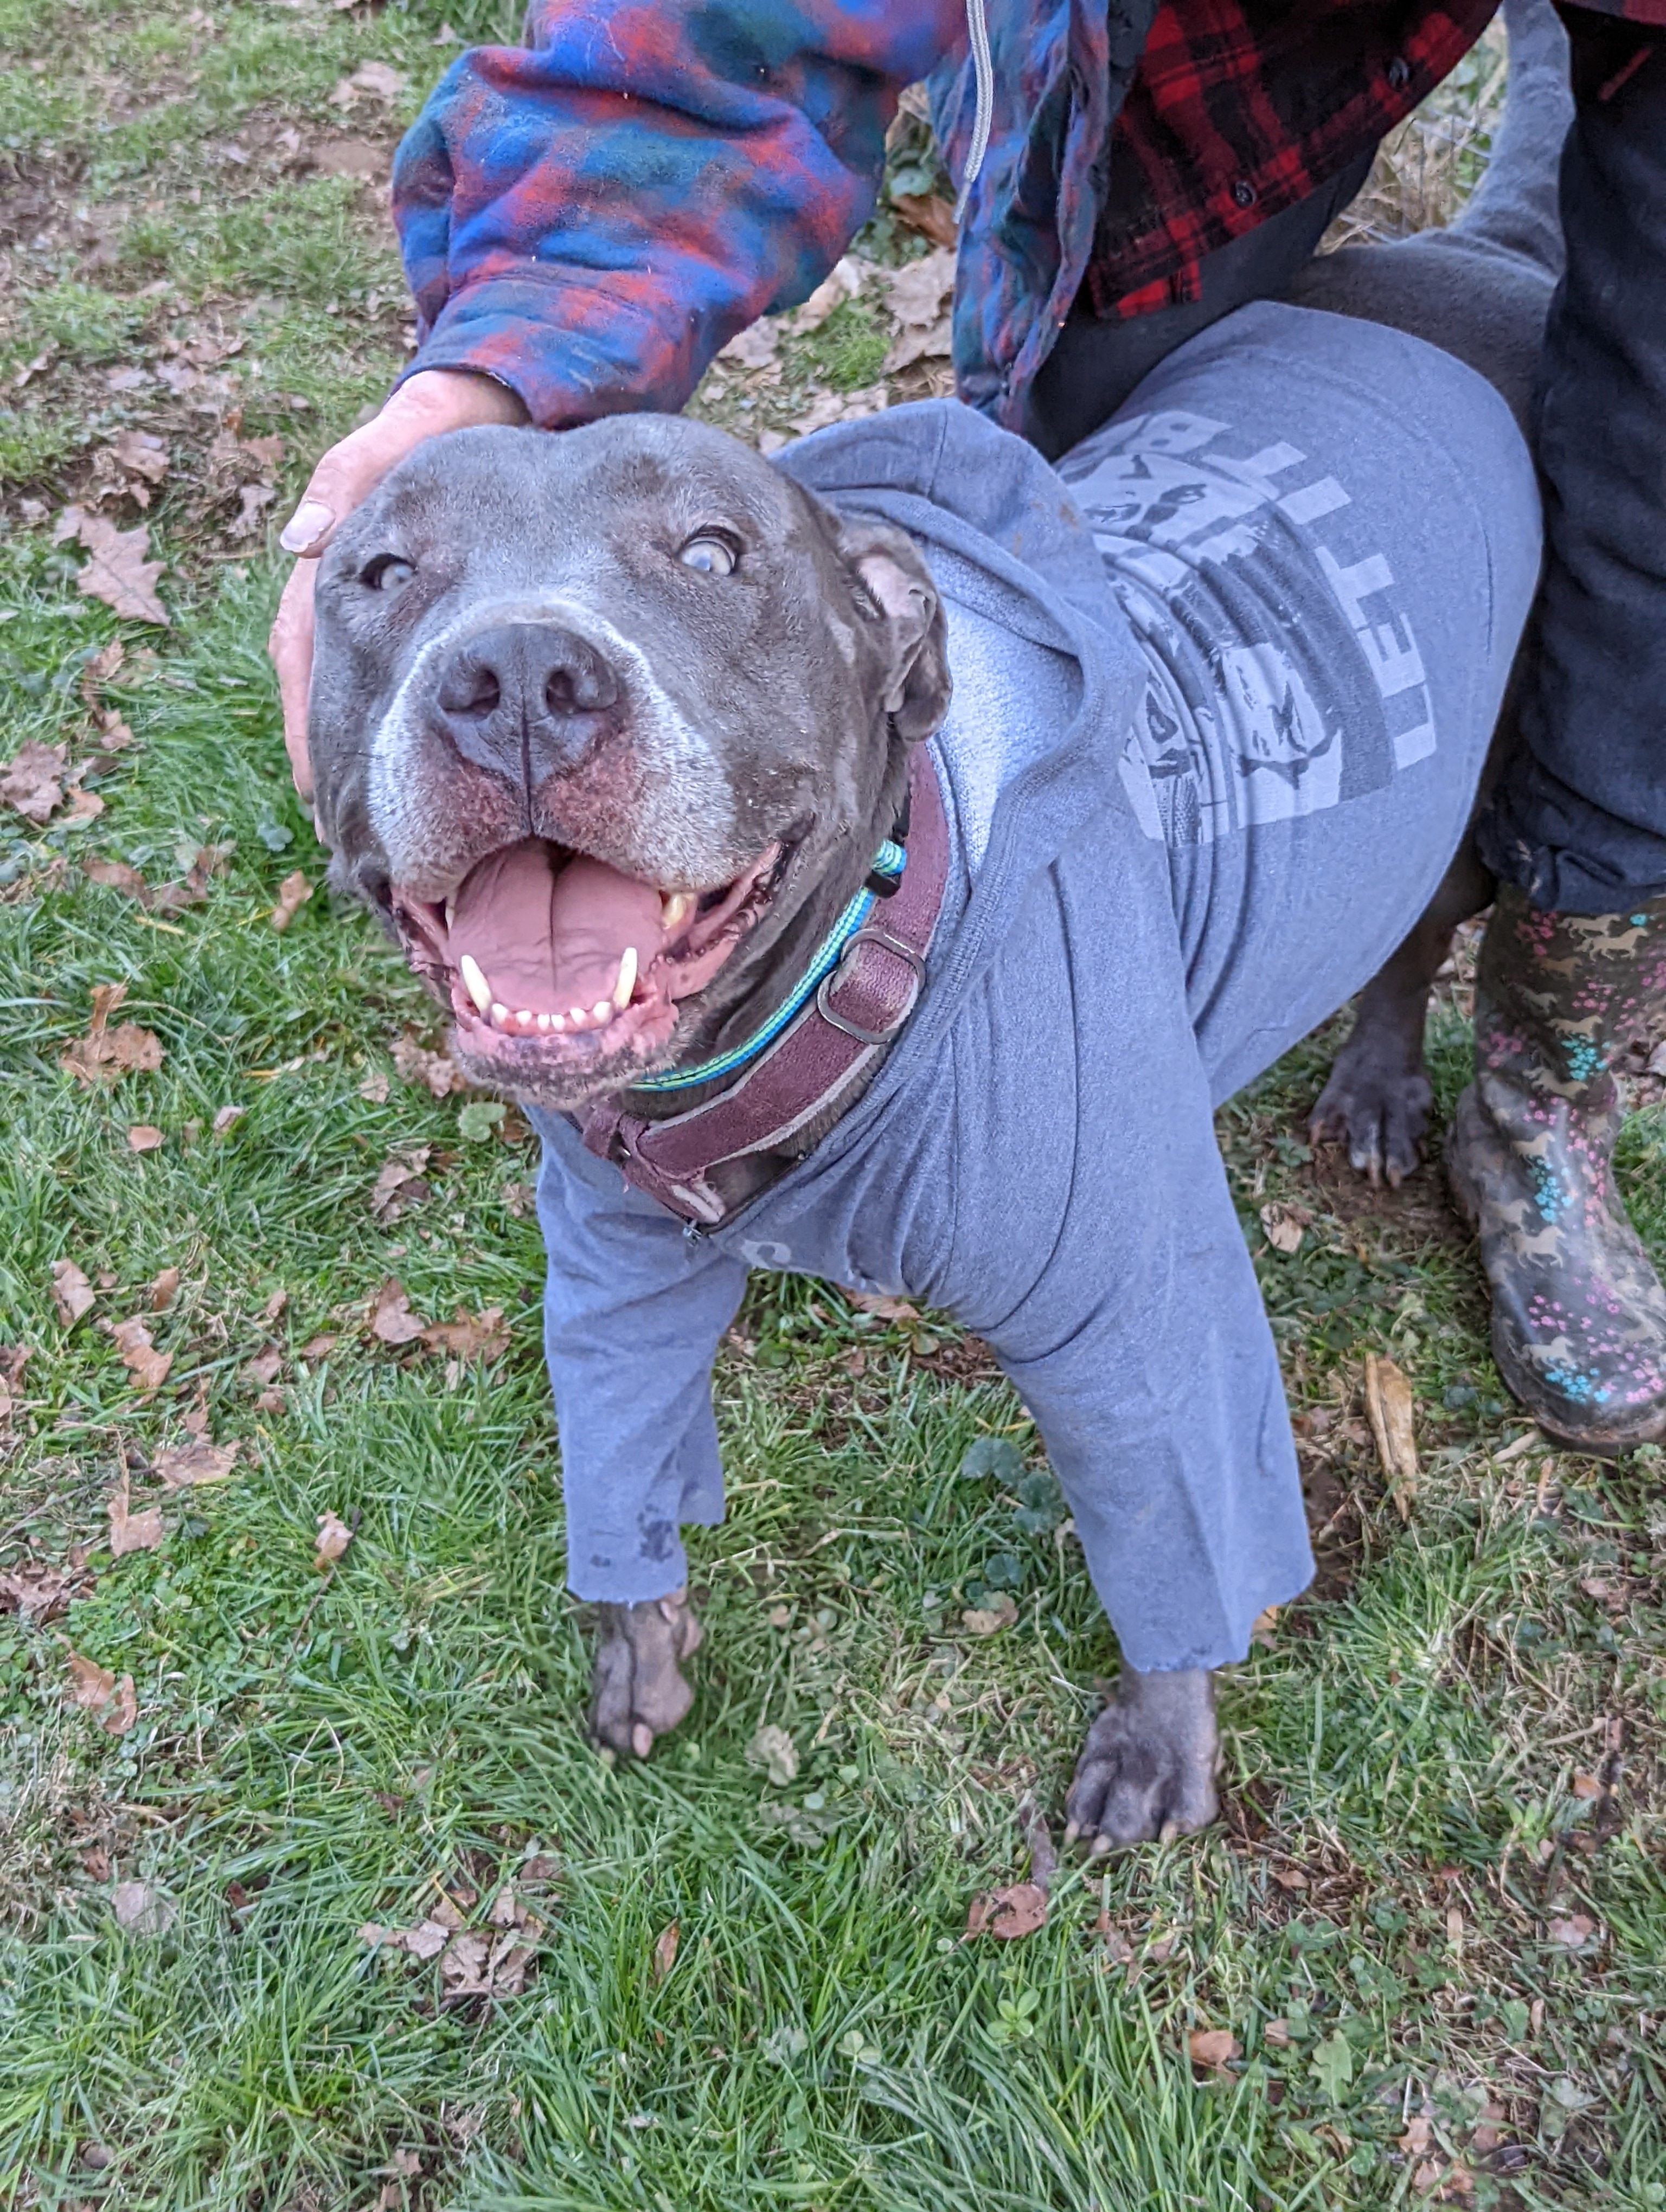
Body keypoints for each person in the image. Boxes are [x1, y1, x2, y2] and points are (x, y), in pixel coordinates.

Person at [270, 0, 1666, 1454]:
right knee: (1121, 482)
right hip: (1222, 43)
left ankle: (1532, 1099)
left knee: (1628, 605)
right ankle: (1065, 983)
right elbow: (730, 22)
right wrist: (510, 355)